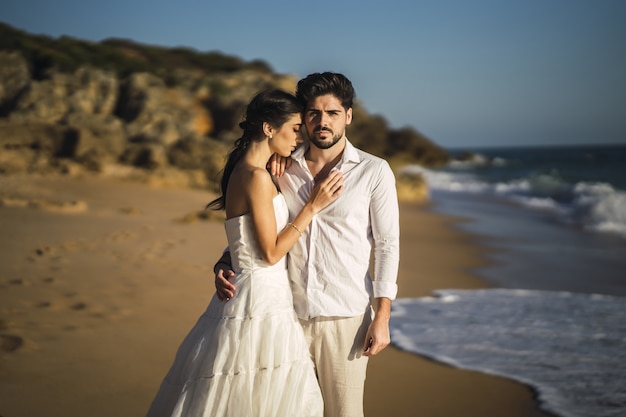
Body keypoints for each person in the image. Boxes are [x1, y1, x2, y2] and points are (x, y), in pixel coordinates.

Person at [146, 89, 344, 417]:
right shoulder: (255, 177)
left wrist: (224, 261)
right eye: (294, 128)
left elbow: (244, 240)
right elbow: (269, 253)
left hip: (254, 292)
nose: (299, 137)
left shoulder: (246, 169)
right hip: (261, 300)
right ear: (269, 128)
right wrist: (312, 206)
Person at [214, 72, 400, 417]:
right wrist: (226, 261)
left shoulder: (374, 172)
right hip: (285, 313)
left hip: (343, 317)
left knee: (343, 412)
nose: (322, 122)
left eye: (332, 113)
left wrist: (383, 315)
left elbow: (387, 245)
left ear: (348, 115)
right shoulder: (280, 165)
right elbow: (258, 228)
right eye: (313, 113)